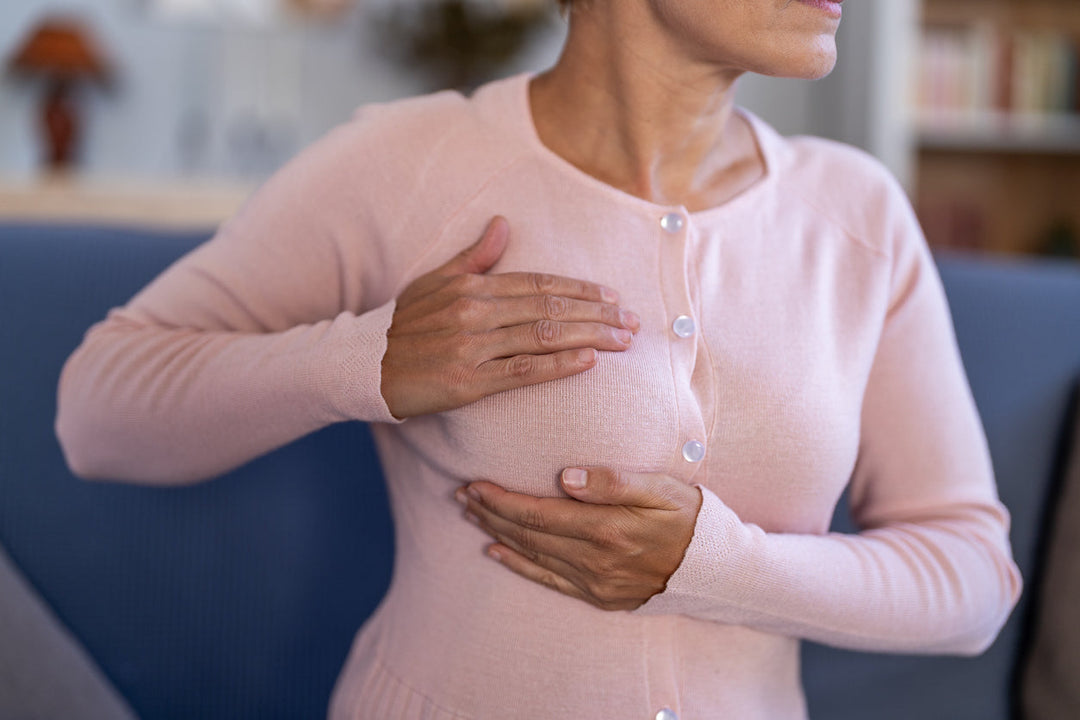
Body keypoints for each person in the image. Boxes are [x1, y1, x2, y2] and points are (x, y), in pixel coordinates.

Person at [56, 0, 1024, 717]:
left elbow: (974, 580)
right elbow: (99, 411)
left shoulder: (857, 216)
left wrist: (721, 566)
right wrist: (367, 363)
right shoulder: (409, 163)